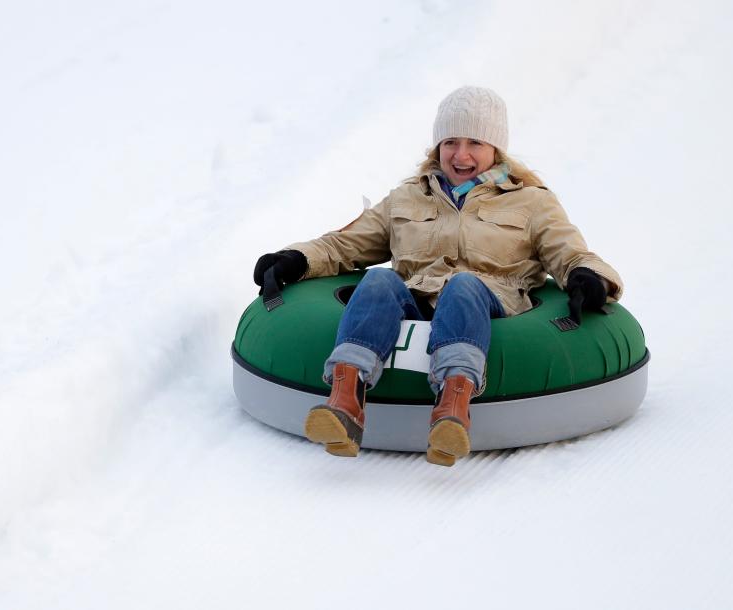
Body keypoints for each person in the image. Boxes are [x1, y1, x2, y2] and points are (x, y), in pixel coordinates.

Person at [253, 86, 623, 467]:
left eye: (474, 142)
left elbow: (569, 252)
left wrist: (588, 277)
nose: (460, 155)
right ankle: (345, 404)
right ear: (437, 146)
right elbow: (344, 246)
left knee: (462, 286)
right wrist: (295, 259)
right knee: (378, 282)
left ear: (495, 148)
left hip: (487, 301)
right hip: (417, 299)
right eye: (450, 142)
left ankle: (452, 410)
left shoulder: (532, 201)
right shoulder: (407, 197)